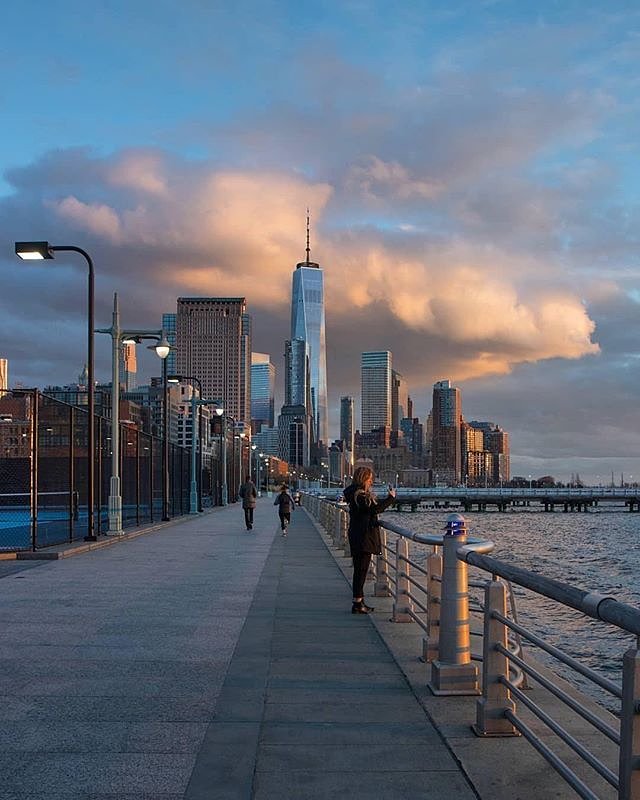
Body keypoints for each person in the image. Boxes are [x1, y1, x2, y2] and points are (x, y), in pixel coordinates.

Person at [343, 466, 396, 614]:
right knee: (361, 571)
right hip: (363, 536)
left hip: (357, 534)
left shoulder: (354, 493)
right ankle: (358, 603)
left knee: (359, 570)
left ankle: (359, 601)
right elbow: (374, 510)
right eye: (369, 478)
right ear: (363, 479)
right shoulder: (359, 495)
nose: (371, 481)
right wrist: (391, 498)